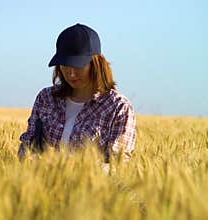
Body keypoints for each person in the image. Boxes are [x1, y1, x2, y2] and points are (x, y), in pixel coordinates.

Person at [18, 23, 136, 166]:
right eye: (65, 65)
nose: (71, 74)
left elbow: (118, 165)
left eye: (78, 65)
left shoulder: (117, 107)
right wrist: (31, 159)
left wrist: (70, 169)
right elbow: (27, 145)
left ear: (96, 63)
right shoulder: (46, 98)